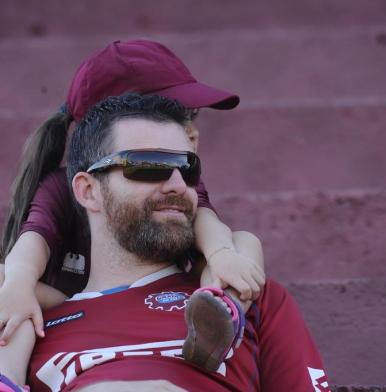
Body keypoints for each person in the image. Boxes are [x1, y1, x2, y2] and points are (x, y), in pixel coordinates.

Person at [1, 93, 330, 392]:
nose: (177, 184)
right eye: (147, 166)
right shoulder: (29, 319)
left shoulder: (243, 295)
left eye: (187, 169)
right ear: (89, 191)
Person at [0, 40, 264, 374]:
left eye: (189, 117)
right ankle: (7, 376)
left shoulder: (176, 177)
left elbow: (207, 223)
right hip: (72, 308)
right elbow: (29, 246)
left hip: (159, 294)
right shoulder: (63, 184)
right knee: (6, 281)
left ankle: (221, 313)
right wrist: (18, 285)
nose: (192, 130)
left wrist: (223, 256)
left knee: (243, 242)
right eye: (179, 114)